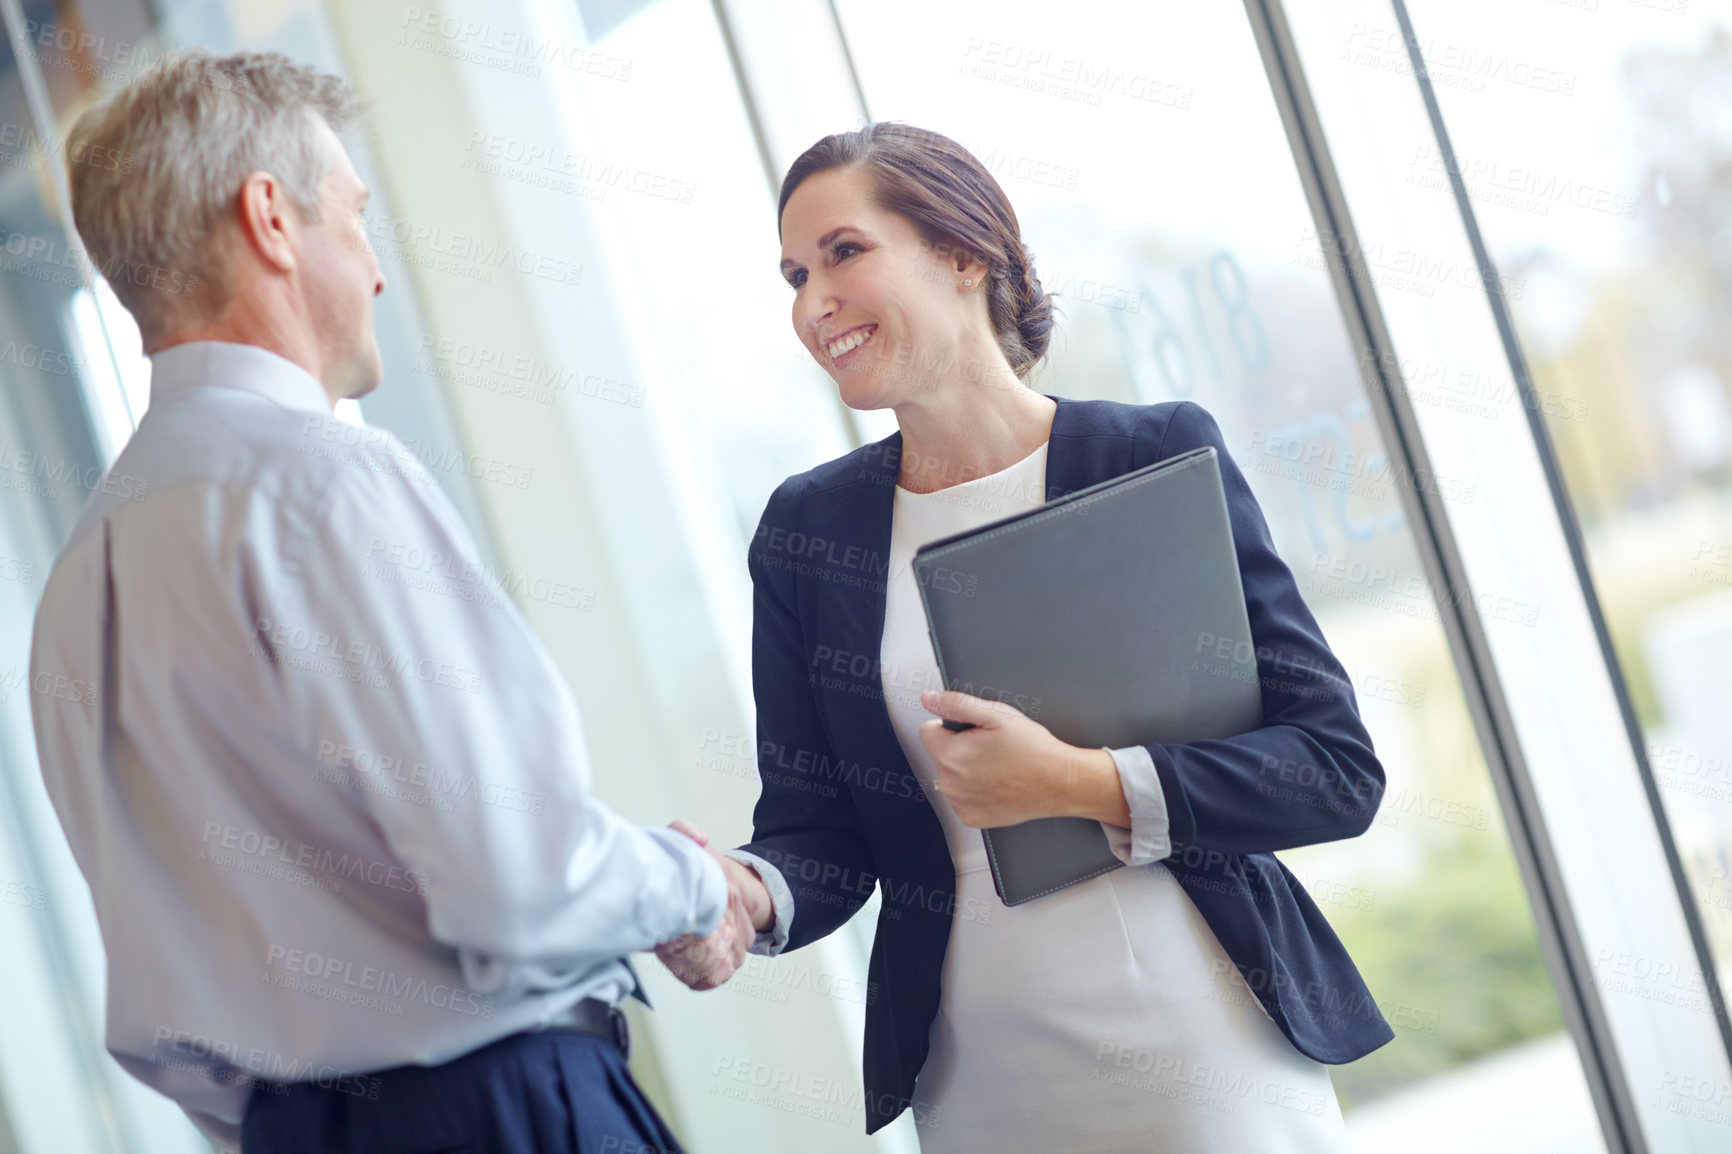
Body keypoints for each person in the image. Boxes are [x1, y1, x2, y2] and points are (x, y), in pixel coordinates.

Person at [28, 49, 766, 1153]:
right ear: (271, 219)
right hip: (503, 1111)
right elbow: (513, 876)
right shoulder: (324, 482)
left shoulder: (76, 583)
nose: (375, 268)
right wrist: (693, 886)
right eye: (354, 215)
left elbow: (168, 1005)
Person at [660, 123, 1395, 1151]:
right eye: (792, 274)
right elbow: (818, 829)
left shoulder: (1151, 456)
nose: (809, 302)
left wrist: (1078, 782)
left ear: (963, 253)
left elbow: (1329, 767)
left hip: (1202, 1043)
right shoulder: (805, 532)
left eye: (842, 252)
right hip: (980, 1077)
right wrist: (745, 893)